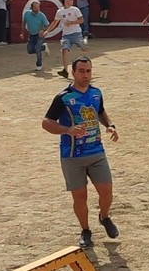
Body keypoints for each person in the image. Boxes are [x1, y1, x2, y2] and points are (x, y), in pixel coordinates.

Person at [41, 56, 120, 248]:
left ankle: (104, 216)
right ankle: (85, 230)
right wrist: (67, 130)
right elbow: (46, 123)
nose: (86, 75)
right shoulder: (63, 97)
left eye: (89, 71)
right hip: (72, 156)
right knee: (80, 196)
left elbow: (100, 111)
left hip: (96, 151)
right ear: (73, 73)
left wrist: (109, 125)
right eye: (82, 71)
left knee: (107, 191)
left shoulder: (96, 93)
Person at [44, 0, 88, 80]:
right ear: (66, 1)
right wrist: (47, 31)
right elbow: (55, 22)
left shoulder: (75, 9)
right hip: (66, 35)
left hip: (76, 33)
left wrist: (71, 23)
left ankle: (85, 39)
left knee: (84, 48)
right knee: (64, 50)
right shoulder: (60, 12)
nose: (72, 1)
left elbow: (81, 20)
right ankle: (65, 70)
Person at [21, 0, 50, 72]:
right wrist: (22, 33)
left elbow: (47, 25)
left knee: (37, 48)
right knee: (30, 50)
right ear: (32, 8)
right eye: (35, 8)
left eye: (38, 8)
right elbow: (24, 23)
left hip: (40, 35)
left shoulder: (41, 15)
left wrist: (43, 30)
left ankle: (39, 64)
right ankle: (44, 47)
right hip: (31, 35)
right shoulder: (27, 14)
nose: (37, 9)